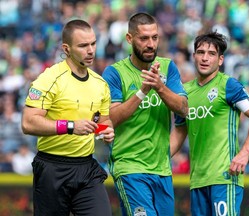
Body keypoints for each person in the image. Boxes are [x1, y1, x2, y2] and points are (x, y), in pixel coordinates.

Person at [21, 19, 114, 216]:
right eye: (83, 45)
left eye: (93, 43)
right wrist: (70, 126)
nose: (90, 50)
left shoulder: (100, 84)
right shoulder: (49, 79)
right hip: (52, 168)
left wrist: (106, 131)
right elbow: (28, 122)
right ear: (67, 48)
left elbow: (103, 121)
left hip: (86, 167)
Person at [170, 31, 249, 216]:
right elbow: (180, 131)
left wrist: (245, 152)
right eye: (200, 52)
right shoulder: (184, 92)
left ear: (220, 60)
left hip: (225, 177)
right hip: (197, 180)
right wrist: (161, 158)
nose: (205, 58)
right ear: (193, 56)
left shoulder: (228, 85)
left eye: (211, 54)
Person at [102, 12, 188, 216]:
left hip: (162, 170)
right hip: (129, 167)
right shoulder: (114, 73)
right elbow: (111, 118)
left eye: (154, 37)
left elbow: (184, 108)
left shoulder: (168, 67)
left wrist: (159, 86)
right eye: (144, 38)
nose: (151, 44)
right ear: (129, 39)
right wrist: (142, 91)